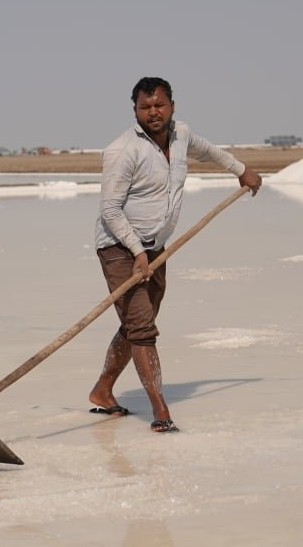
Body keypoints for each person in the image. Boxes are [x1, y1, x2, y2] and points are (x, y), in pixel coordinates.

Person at [88, 76, 262, 432]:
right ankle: (161, 412)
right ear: (134, 109)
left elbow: (211, 152)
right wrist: (136, 252)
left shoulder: (181, 135)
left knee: (136, 324)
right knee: (142, 329)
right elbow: (110, 211)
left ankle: (103, 390)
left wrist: (242, 171)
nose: (153, 112)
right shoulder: (122, 151)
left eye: (159, 105)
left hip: (156, 248)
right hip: (120, 249)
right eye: (145, 107)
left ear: (172, 106)